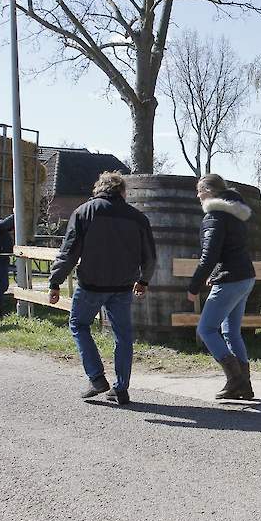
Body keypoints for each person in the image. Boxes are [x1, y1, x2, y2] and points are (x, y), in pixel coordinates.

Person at [48, 171, 156, 406]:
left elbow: (69, 252)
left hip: (91, 285)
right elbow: (149, 256)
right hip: (123, 286)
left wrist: (55, 281)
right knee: (123, 336)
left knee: (78, 324)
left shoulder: (84, 212)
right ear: (122, 191)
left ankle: (96, 377)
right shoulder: (138, 218)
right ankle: (121, 389)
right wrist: (144, 280)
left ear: (98, 188)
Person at [187, 174, 257, 400]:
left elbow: (209, 255)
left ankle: (235, 379)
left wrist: (194, 285)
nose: (197, 195)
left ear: (208, 190)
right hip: (245, 277)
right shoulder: (235, 214)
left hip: (231, 280)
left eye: (199, 190)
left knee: (206, 329)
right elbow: (231, 250)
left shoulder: (215, 216)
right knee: (231, 332)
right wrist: (216, 274)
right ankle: (244, 384)